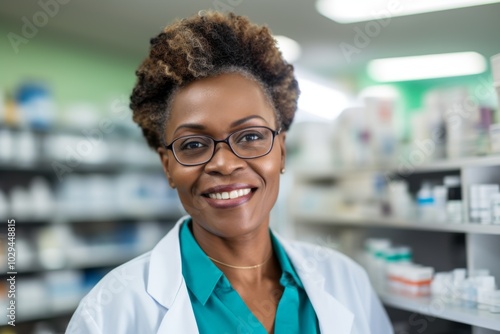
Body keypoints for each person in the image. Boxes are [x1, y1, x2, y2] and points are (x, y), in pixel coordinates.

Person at [66, 10, 393, 334]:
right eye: (193, 144)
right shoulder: (110, 313)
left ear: (281, 151)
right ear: (168, 166)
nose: (223, 163)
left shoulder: (347, 281)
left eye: (250, 136)